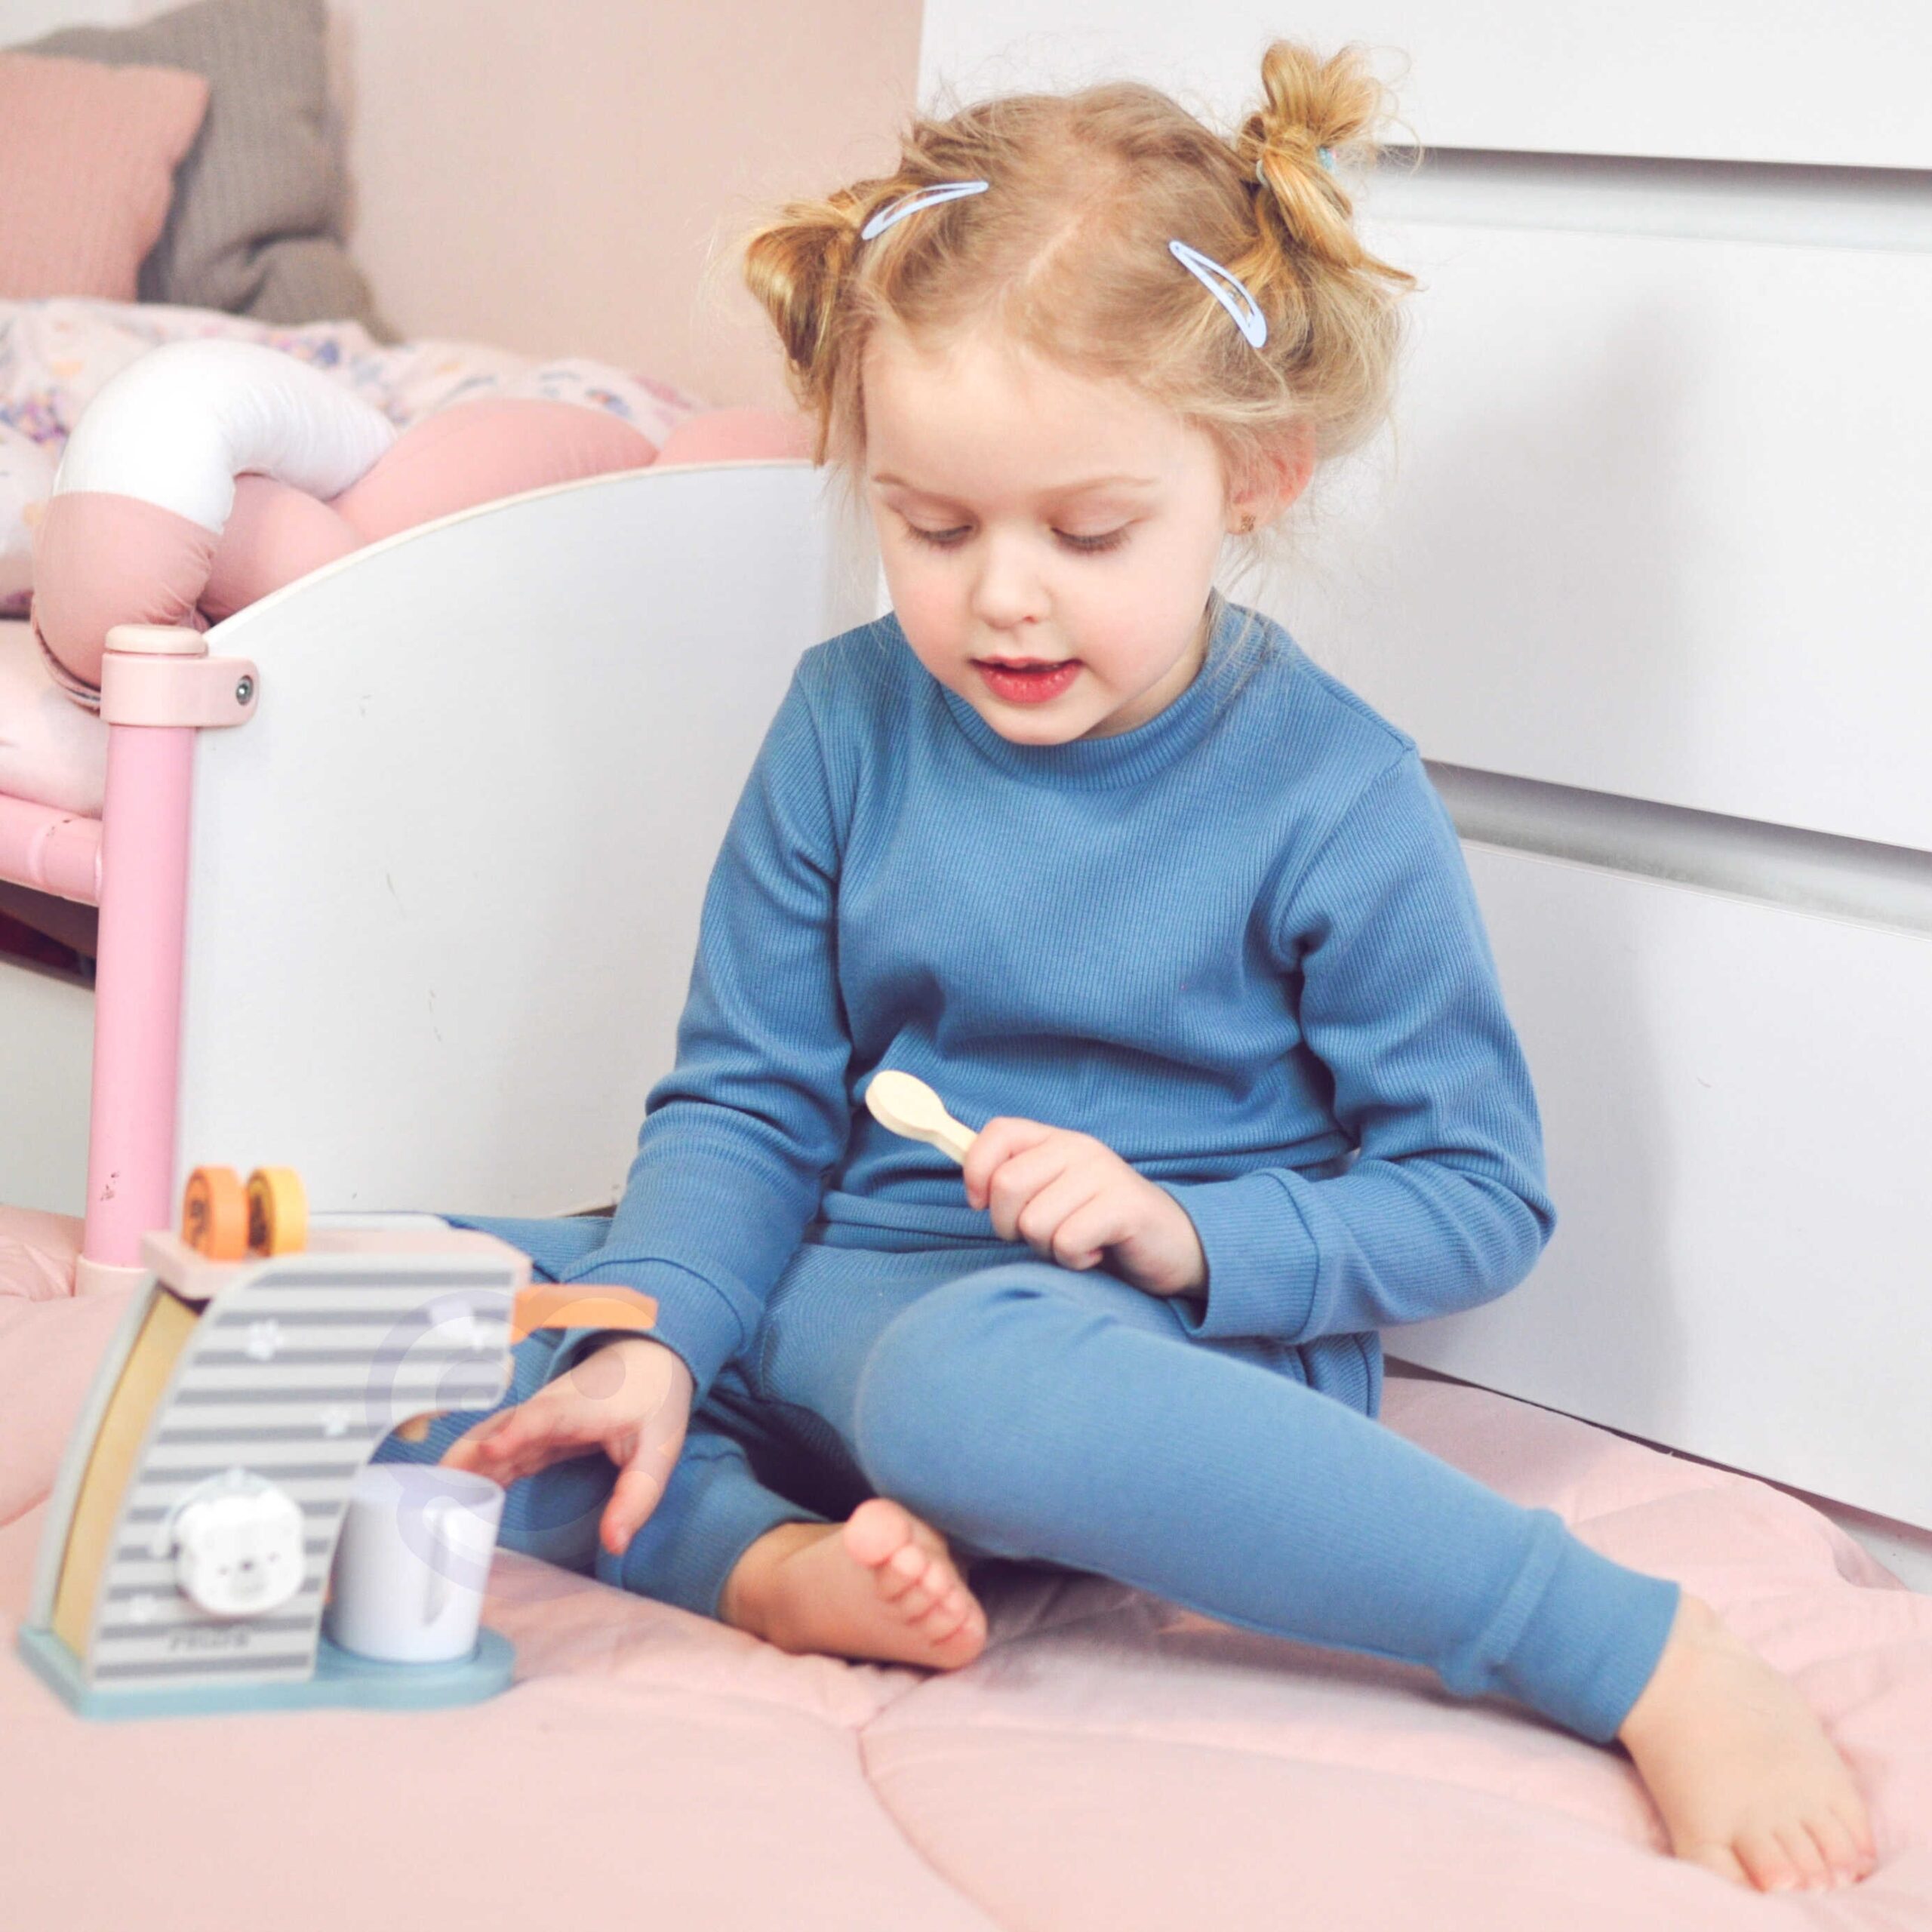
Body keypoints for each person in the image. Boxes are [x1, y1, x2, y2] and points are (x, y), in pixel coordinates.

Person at [378, 40, 1875, 1894]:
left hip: (1137, 1348)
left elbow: (1475, 1194)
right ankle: (766, 1562)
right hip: (828, 1297)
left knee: (964, 1392)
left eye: (1085, 533)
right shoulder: (844, 720)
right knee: (387, 1307)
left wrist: (1184, 1231)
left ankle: (1625, 1645)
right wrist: (649, 1327)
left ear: (1252, 473)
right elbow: (745, 1100)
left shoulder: (1330, 793)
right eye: (930, 526)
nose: (1002, 592)